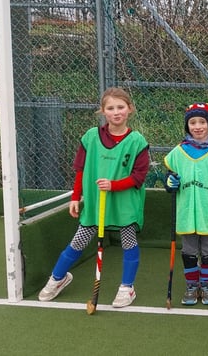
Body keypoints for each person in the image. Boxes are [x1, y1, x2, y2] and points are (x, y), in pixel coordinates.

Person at [38, 87, 150, 308]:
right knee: (78, 241)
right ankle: (58, 279)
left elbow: (139, 176)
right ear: (102, 111)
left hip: (124, 203)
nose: (116, 112)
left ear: (130, 109)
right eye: (110, 108)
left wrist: (114, 185)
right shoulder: (90, 137)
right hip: (95, 203)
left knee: (129, 242)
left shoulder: (137, 141)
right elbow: (80, 170)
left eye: (121, 107)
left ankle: (127, 287)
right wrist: (75, 197)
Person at [164, 102, 208, 306]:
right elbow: (169, 179)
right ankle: (192, 286)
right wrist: (170, 183)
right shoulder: (178, 152)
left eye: (202, 121)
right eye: (192, 122)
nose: (197, 126)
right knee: (189, 251)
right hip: (186, 212)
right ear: (187, 126)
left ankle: (207, 285)